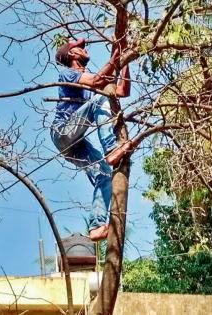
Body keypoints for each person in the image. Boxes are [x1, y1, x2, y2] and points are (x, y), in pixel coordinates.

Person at [50, 37, 131, 241]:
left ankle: (96, 226)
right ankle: (111, 148)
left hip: (74, 144)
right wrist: (114, 59)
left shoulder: (86, 79)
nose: (85, 50)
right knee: (99, 100)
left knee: (104, 173)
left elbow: (121, 91)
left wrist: (125, 62)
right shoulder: (67, 72)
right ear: (72, 55)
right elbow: (97, 82)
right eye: (80, 48)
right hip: (63, 131)